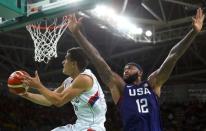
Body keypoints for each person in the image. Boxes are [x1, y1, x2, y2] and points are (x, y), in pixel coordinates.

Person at [67, 8, 205, 131]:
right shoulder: (120, 88)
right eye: (125, 69)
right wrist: (77, 34)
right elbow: (98, 59)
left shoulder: (152, 83)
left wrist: (193, 32)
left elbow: (172, 56)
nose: (126, 71)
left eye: (130, 68)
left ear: (140, 73)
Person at [15, 47, 107, 131]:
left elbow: (59, 101)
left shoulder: (85, 78)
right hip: (80, 126)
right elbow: (49, 100)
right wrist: (25, 94)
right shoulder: (68, 81)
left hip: (93, 127)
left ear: (74, 63)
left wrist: (39, 86)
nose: (63, 62)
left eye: (66, 59)